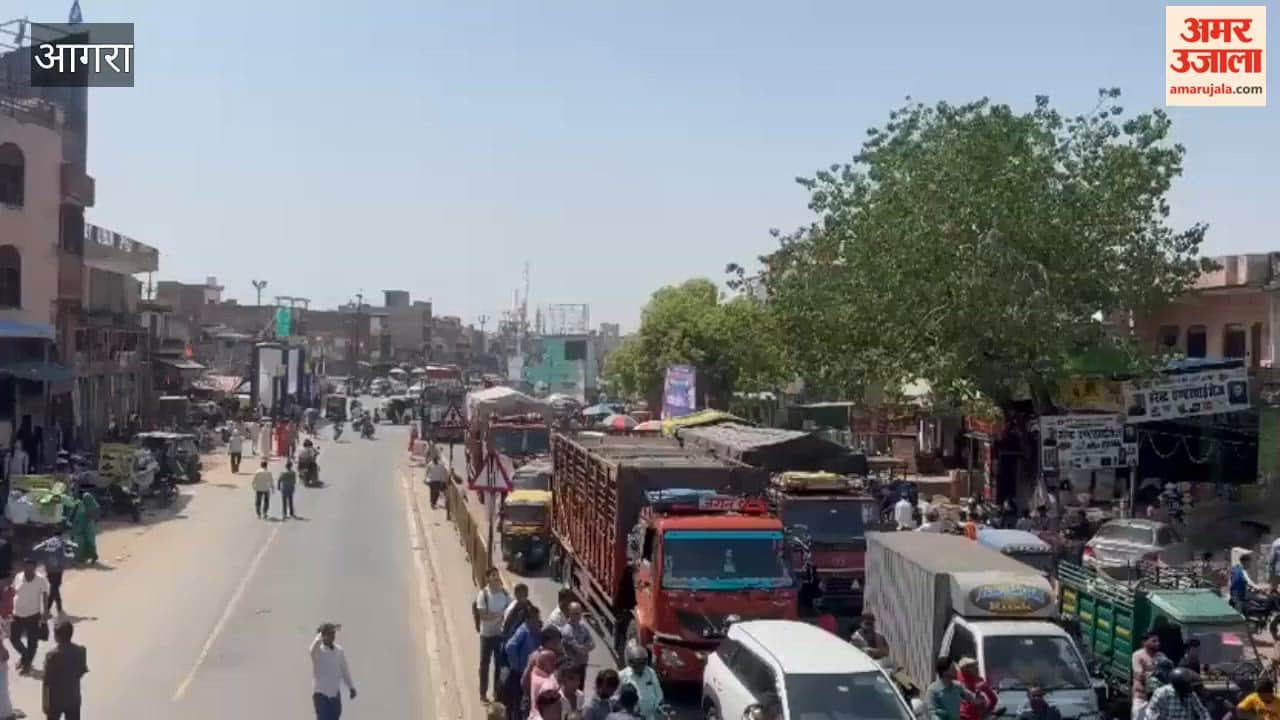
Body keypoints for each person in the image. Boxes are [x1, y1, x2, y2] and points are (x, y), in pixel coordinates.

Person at [477, 568, 512, 702]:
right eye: (493, 575)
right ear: (488, 578)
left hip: (500, 635)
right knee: (484, 666)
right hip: (486, 636)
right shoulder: (483, 595)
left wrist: (500, 614)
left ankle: (497, 694)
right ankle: (482, 693)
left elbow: (510, 609)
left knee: (499, 665)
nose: (496, 578)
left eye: (497, 575)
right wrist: (500, 614)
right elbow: (484, 616)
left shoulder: (504, 593)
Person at [42, 619, 87, 720]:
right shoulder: (81, 651)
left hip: (55, 701)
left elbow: (46, 683)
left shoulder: (51, 656)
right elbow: (82, 671)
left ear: (57, 637)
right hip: (73, 699)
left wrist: (45, 704)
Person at [310, 623, 357, 720]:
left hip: (334, 693)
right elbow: (311, 650)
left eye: (333, 633)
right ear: (324, 636)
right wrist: (319, 636)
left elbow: (344, 670)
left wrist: (351, 687)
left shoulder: (339, 651)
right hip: (321, 694)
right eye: (330, 634)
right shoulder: (318, 651)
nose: (332, 636)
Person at [10, 557, 49, 674]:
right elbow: (13, 591)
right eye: (26, 566)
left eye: (30, 567)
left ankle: (26, 665)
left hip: (33, 615)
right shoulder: (18, 577)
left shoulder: (41, 580)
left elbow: (45, 595)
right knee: (14, 639)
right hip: (17, 614)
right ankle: (25, 656)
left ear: (35, 568)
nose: (28, 570)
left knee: (33, 642)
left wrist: (45, 612)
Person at [504, 609, 543, 720]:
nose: (537, 620)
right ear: (527, 619)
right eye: (534, 618)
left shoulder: (535, 631)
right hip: (519, 674)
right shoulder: (523, 631)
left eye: (537, 617)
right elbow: (510, 647)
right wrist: (518, 665)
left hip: (531, 674)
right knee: (517, 704)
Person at [617, 644, 663, 720]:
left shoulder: (650, 673)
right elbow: (616, 697)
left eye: (643, 663)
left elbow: (658, 693)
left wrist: (657, 706)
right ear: (631, 662)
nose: (640, 666)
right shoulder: (622, 675)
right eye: (637, 663)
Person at [33, 534, 74, 615]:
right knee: (54, 588)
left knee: (53, 588)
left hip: (49, 570)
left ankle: (50, 609)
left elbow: (37, 550)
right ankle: (57, 608)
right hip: (58, 570)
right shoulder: (62, 542)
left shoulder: (47, 542)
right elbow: (69, 554)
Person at [555, 603, 594, 683]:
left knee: (580, 691)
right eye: (576, 614)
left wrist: (584, 647)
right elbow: (579, 650)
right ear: (569, 613)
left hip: (582, 665)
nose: (578, 616)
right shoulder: (567, 630)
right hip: (571, 668)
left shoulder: (583, 626)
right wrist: (586, 646)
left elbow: (593, 644)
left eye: (580, 613)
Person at [1132, 633, 1162, 720]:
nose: (1157, 643)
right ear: (1144, 642)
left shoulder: (1161, 657)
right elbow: (1138, 674)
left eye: (1158, 641)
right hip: (1141, 697)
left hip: (1156, 699)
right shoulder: (1138, 655)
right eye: (1154, 641)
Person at [69, 493, 98, 564]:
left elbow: (72, 514)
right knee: (90, 542)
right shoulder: (93, 505)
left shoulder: (80, 504)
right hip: (88, 526)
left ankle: (81, 558)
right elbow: (96, 517)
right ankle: (91, 556)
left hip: (80, 526)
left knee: (79, 541)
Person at [528, 650, 560, 717]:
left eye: (555, 660)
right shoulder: (547, 684)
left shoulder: (534, 672)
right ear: (542, 664)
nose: (555, 663)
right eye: (551, 661)